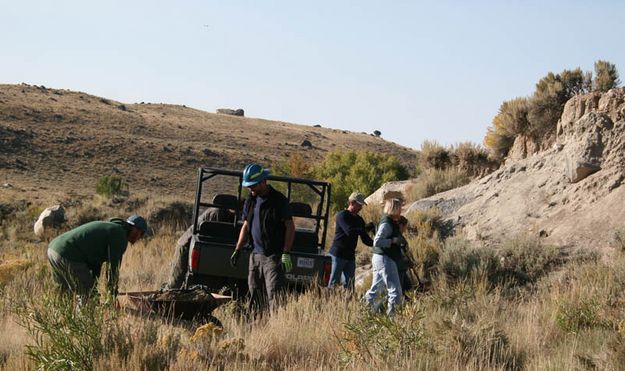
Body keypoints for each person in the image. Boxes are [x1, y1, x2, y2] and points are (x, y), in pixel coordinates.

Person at [230, 163, 295, 314]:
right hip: (255, 256)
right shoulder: (250, 200)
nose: (250, 189)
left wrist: (286, 252)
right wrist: (238, 249)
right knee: (254, 295)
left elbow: (290, 227)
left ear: (263, 182)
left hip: (273, 257)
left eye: (252, 185)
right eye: (248, 186)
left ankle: (276, 331)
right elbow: (246, 226)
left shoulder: (279, 200)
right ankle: (256, 327)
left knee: (275, 296)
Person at [47, 215, 148, 298]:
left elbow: (96, 263)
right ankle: (84, 320)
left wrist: (94, 284)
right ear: (136, 230)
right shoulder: (119, 235)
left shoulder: (111, 228)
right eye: (141, 234)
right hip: (69, 253)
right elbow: (113, 268)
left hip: (53, 249)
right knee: (87, 294)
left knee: (63, 293)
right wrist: (112, 293)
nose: (140, 238)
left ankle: (58, 321)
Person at [164, 195, 237, 290]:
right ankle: (167, 298)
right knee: (177, 280)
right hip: (187, 244)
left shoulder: (229, 216)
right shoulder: (217, 213)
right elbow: (219, 235)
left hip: (199, 245)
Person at [364, 199, 406, 316]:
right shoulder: (387, 223)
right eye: (400, 208)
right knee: (395, 291)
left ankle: (363, 313)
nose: (401, 210)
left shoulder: (388, 221)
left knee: (376, 290)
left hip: (380, 258)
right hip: (385, 258)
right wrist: (393, 240)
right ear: (395, 208)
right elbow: (377, 241)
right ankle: (392, 320)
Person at [327, 192, 373, 290]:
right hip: (337, 255)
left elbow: (365, 239)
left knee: (350, 286)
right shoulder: (342, 215)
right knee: (333, 284)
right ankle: (328, 302)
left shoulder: (360, 220)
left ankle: (347, 303)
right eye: (359, 205)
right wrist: (365, 229)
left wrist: (377, 243)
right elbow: (350, 231)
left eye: (361, 205)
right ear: (352, 203)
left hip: (350, 256)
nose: (361, 207)